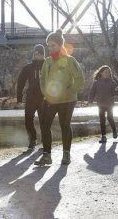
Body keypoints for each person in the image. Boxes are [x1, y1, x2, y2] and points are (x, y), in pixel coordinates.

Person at [34, 29, 84, 166]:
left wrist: (70, 91)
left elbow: (80, 79)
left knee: (64, 125)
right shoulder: (47, 61)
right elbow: (42, 79)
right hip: (50, 100)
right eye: (48, 46)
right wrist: (45, 93)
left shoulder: (70, 60)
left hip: (68, 100)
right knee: (44, 125)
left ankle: (66, 155)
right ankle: (46, 156)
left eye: (53, 45)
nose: (50, 48)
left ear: (61, 45)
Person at [16, 44, 45, 152]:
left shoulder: (48, 65)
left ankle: (46, 142)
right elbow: (20, 82)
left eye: (40, 53)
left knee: (44, 121)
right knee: (28, 120)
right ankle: (32, 140)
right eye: (36, 53)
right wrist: (19, 97)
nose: (37, 55)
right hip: (31, 98)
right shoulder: (28, 67)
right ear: (33, 54)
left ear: (43, 54)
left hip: (44, 97)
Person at [88, 65, 118, 143]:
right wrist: (90, 101)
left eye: (109, 72)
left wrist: (117, 90)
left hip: (110, 104)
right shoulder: (96, 82)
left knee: (110, 118)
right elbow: (92, 92)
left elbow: (114, 93)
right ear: (101, 73)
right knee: (102, 120)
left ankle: (114, 131)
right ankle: (103, 136)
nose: (107, 73)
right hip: (100, 104)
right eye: (105, 72)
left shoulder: (112, 82)